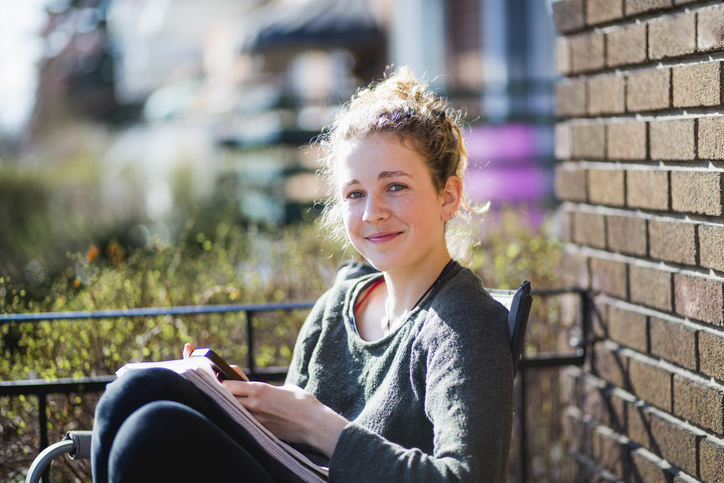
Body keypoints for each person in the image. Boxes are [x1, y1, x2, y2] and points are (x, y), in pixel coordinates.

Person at [91, 67, 513, 483]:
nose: (372, 212)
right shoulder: (336, 308)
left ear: (448, 197)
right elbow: (286, 454)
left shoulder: (464, 322)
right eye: (355, 194)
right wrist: (246, 405)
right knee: (133, 393)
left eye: (395, 186)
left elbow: (466, 477)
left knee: (152, 431)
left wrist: (316, 423)